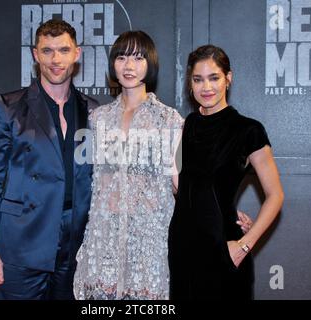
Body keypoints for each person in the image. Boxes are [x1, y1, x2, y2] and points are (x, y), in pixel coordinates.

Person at [72, 32, 252, 300]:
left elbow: (185, 183)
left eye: (138, 58)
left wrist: (224, 213)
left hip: (150, 243)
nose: (129, 66)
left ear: (151, 63)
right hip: (104, 240)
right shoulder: (97, 119)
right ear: (113, 65)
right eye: (121, 58)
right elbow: (87, 182)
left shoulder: (169, 121)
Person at [0, 19, 98, 299]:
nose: (56, 59)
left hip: (75, 248)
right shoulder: (9, 107)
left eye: (63, 50)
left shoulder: (92, 111)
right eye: (47, 51)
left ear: (76, 54)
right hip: (21, 243)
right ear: (35, 54)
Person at [168, 45, 284, 300]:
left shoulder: (248, 130)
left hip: (224, 249)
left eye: (214, 78)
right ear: (190, 83)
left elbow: (275, 196)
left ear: (228, 78)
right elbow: (179, 186)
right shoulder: (185, 126)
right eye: (198, 79)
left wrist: (244, 245)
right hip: (182, 248)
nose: (206, 87)